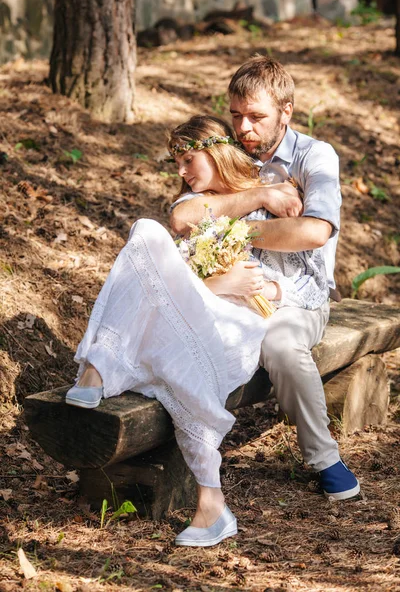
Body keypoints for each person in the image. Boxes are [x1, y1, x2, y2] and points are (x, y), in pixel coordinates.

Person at [65, 114, 338, 548]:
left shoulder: (274, 195)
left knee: (178, 349)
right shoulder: (195, 205)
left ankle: (210, 500)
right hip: (195, 317)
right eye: (176, 162)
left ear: (214, 153)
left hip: (241, 329)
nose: (181, 171)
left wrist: (260, 214)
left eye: (189, 159)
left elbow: (305, 263)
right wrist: (218, 282)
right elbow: (178, 230)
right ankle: (96, 367)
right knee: (146, 232)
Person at [170, 56, 360, 504]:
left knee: (278, 342)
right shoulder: (233, 153)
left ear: (286, 112)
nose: (244, 127)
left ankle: (325, 459)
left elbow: (314, 231)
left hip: (297, 299)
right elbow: (183, 216)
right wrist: (260, 196)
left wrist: (235, 226)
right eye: (236, 115)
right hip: (230, 296)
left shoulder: (315, 157)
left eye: (256, 116)